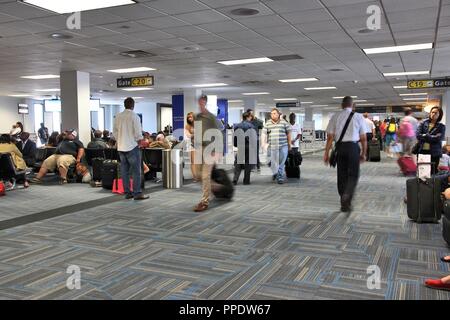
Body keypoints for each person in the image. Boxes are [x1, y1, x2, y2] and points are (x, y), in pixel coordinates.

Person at [324, 96, 367, 213]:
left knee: (341, 174)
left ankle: (344, 201)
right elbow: (363, 138)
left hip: (340, 148)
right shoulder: (358, 117)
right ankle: (347, 195)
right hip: (353, 147)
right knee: (353, 174)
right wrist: (364, 152)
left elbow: (330, 137)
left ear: (342, 105)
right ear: (352, 105)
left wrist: (326, 153)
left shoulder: (335, 116)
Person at [113, 98, 148, 201]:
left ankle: (128, 193)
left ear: (124, 105)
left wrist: (119, 140)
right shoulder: (135, 116)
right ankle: (137, 193)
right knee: (136, 172)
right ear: (133, 105)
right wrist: (139, 141)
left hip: (121, 147)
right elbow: (138, 133)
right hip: (132, 147)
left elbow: (114, 132)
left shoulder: (118, 116)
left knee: (124, 171)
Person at [193, 94, 222, 212]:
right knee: (197, 175)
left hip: (210, 149)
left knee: (205, 176)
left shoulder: (212, 118)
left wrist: (218, 151)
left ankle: (204, 201)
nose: (200, 105)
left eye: (202, 102)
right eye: (199, 102)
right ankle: (214, 186)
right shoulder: (197, 117)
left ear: (205, 102)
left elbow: (218, 134)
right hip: (199, 148)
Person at [262, 108, 292, 184]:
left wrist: (289, 144)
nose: (273, 115)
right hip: (272, 146)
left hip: (283, 145)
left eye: (274, 113)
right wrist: (263, 143)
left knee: (281, 162)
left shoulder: (284, 122)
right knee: (272, 162)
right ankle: (275, 172)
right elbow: (264, 134)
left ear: (278, 114)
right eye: (271, 114)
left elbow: (288, 133)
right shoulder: (268, 123)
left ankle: (280, 177)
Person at [416, 106, 446, 175]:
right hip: (422, 150)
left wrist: (425, 136)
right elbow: (418, 135)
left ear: (439, 115)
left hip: (434, 153)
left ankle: (432, 186)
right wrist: (432, 137)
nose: (433, 114)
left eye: (436, 113)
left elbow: (439, 138)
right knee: (422, 172)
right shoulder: (423, 123)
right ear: (430, 113)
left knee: (433, 172)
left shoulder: (441, 126)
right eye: (432, 112)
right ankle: (422, 185)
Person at [232, 112, 256, 185]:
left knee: (238, 163)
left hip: (240, 145)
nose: (251, 118)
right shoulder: (251, 126)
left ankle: (235, 179)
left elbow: (235, 137)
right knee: (248, 163)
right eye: (251, 117)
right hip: (249, 146)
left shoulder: (237, 126)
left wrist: (236, 145)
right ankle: (246, 181)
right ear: (248, 117)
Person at [184, 112, 198, 182]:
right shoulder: (187, 126)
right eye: (188, 117)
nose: (190, 118)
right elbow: (188, 135)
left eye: (191, 117)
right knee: (193, 161)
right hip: (191, 144)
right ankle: (195, 177)